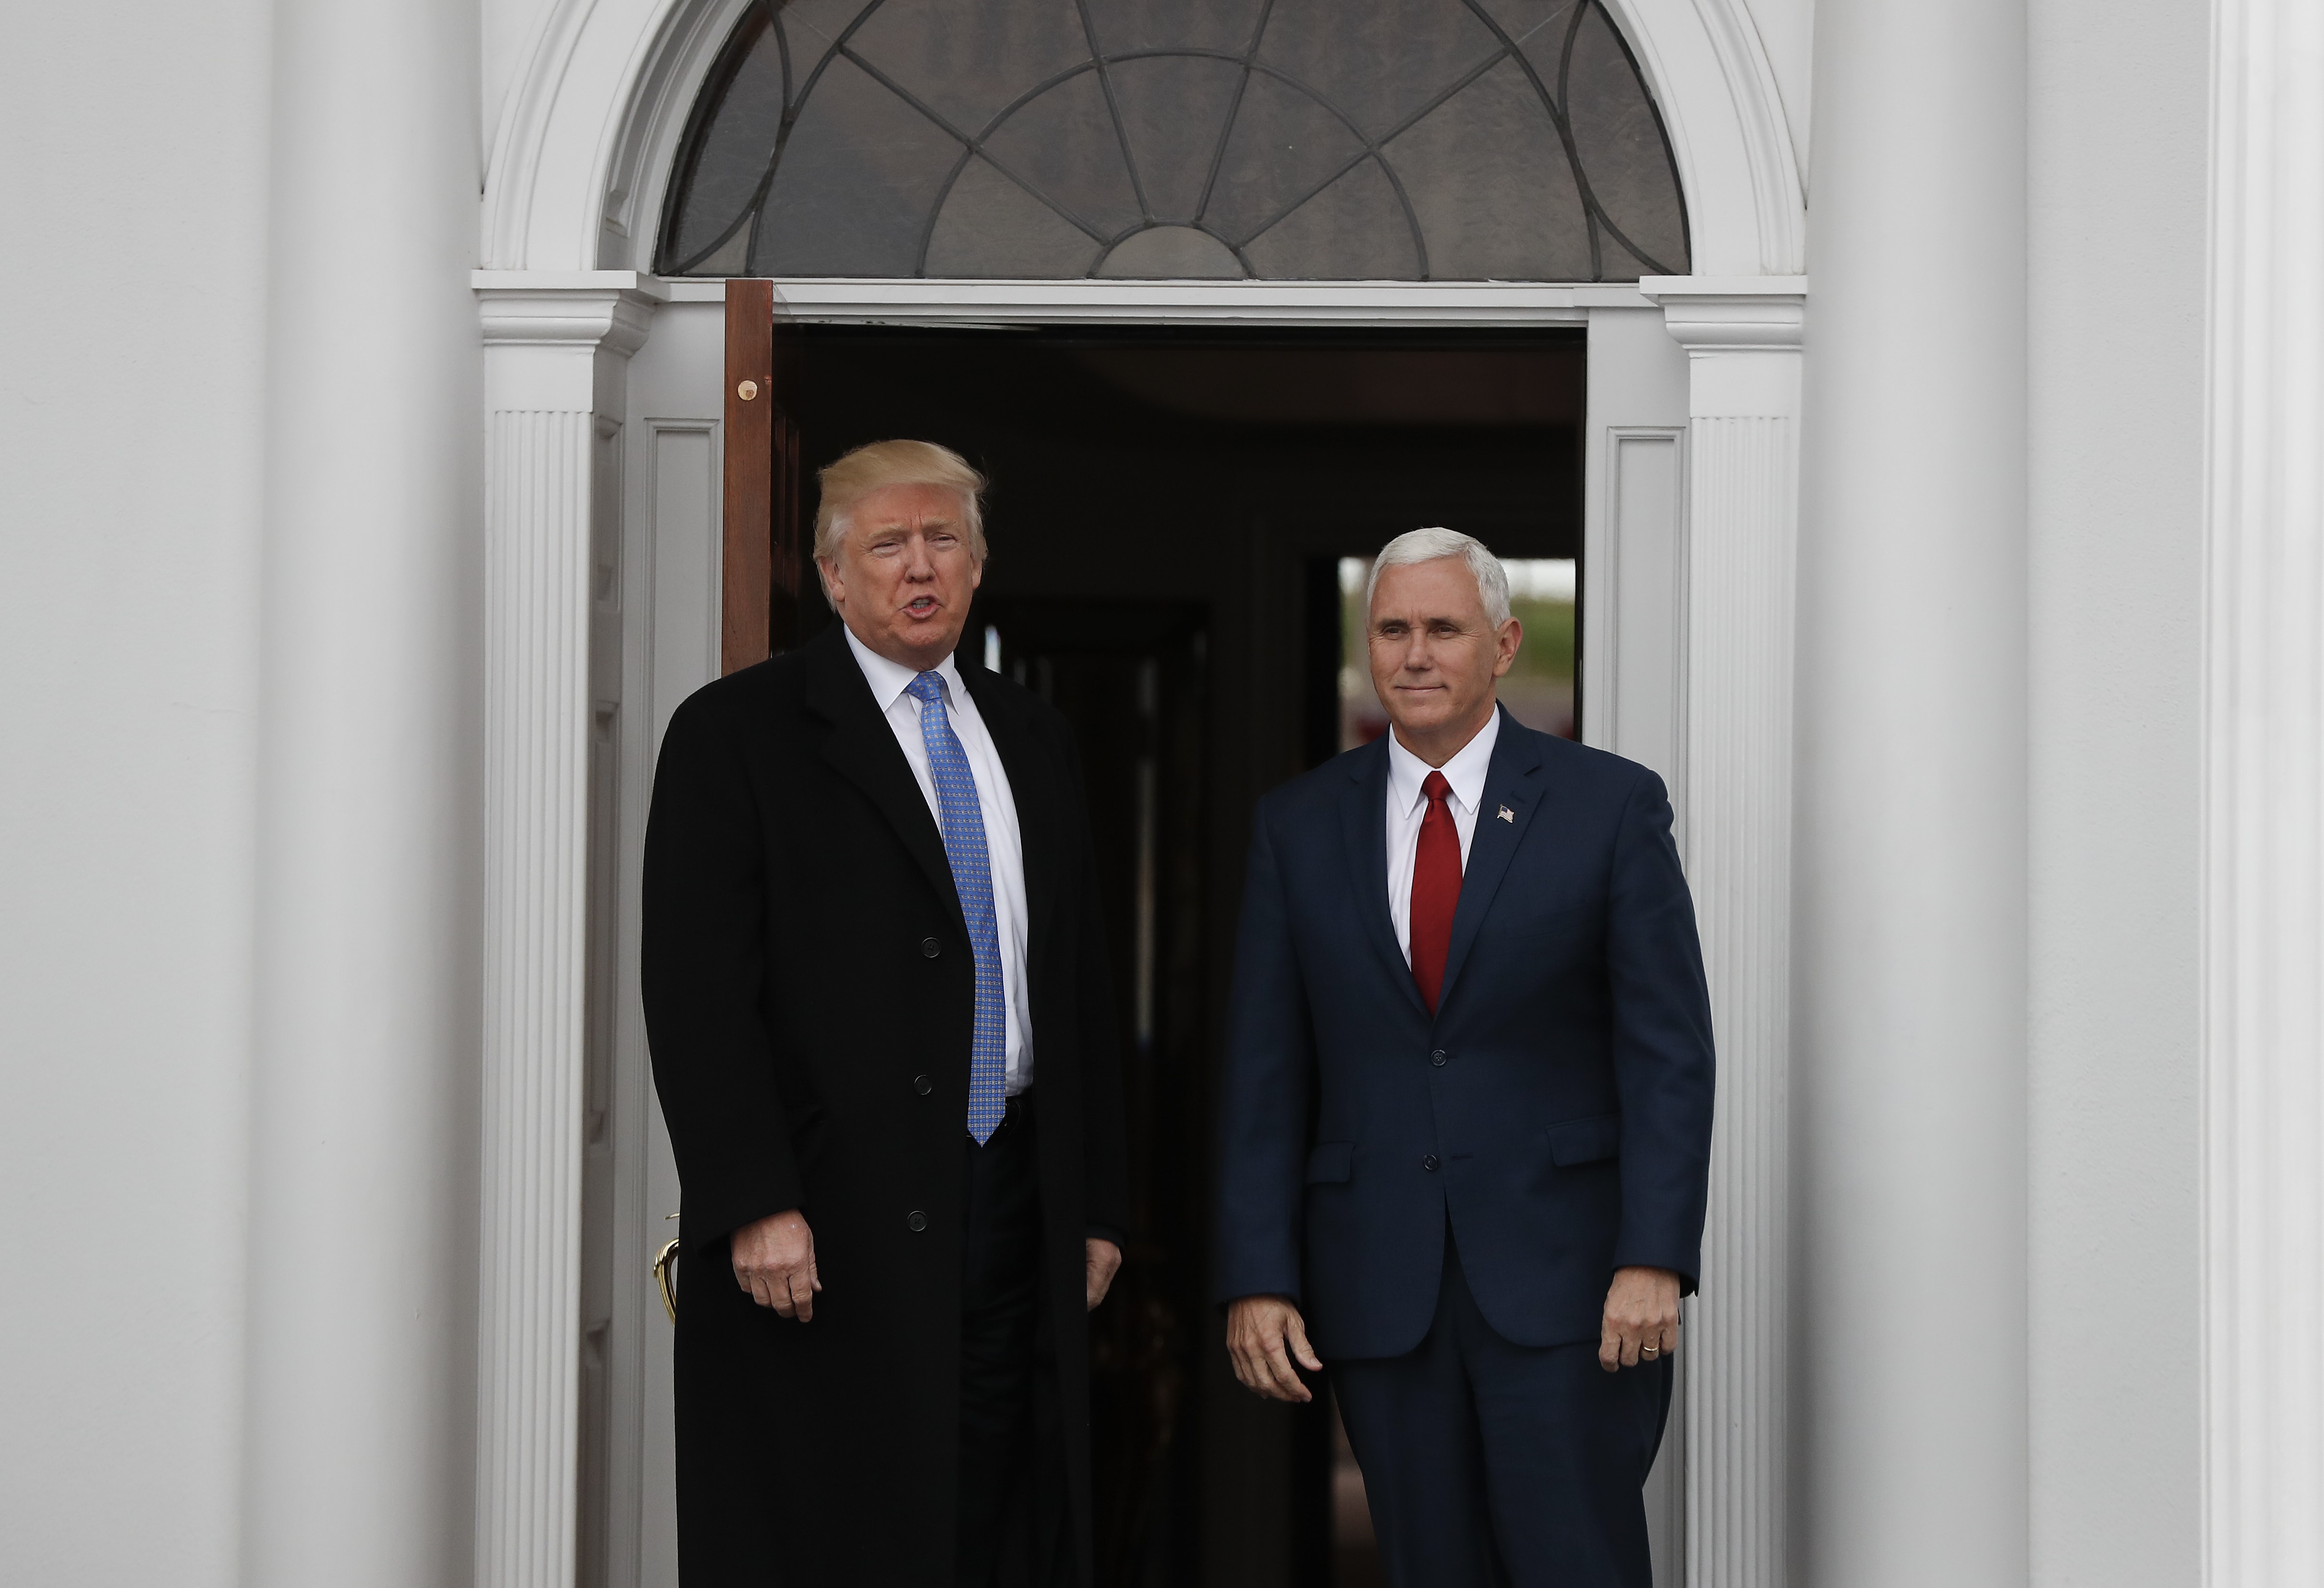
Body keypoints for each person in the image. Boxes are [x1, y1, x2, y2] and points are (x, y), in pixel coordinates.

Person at [642, 440, 1129, 1587]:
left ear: (977, 563)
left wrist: (1096, 1201)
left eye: (943, 541)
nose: (920, 568)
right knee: (834, 1522)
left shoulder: (1033, 732)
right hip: (824, 1212)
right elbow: (697, 991)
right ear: (832, 574)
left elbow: (1080, 988)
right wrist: (753, 1200)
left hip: (1011, 1191)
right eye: (889, 545)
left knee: (1002, 1511)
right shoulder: (736, 733)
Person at [1215, 528, 1715, 1587]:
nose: (1414, 654)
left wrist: (1653, 1255)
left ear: (1501, 643)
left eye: (1443, 629)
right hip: (1381, 1282)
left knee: (1576, 1564)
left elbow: (1668, 1050)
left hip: (1572, 1285)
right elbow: (1266, 1071)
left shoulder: (1608, 805)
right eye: (1392, 629)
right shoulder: (1297, 825)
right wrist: (1259, 1273)